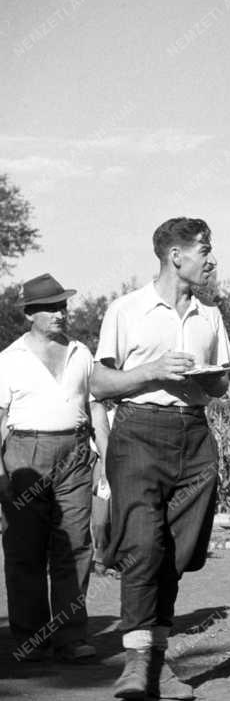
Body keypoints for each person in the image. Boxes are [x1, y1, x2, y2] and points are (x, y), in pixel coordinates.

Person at [91, 217, 230, 701]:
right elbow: (99, 384)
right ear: (176, 255)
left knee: (176, 551)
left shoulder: (209, 316)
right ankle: (136, 662)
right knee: (143, 545)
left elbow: (222, 385)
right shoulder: (126, 309)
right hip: (138, 433)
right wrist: (153, 370)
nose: (212, 259)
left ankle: (157, 657)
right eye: (204, 250)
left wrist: (212, 379)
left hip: (194, 436)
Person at [0, 273, 109, 663]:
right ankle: (30, 638)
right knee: (25, 549)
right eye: (50, 308)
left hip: (76, 454)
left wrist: (105, 461)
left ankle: (71, 636)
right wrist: (1, 476)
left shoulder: (82, 352)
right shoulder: (9, 360)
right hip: (25, 453)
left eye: (63, 306)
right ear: (30, 314)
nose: (60, 313)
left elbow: (97, 407)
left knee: (76, 544)